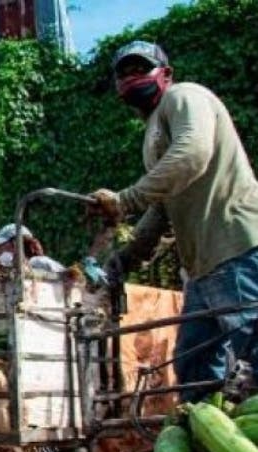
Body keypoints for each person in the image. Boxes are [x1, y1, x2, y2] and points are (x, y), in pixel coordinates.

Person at [90, 41, 258, 398]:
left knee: (253, 350)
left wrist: (125, 200)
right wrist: (129, 255)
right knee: (193, 367)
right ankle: (208, 445)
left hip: (235, 246)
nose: (132, 78)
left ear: (165, 74)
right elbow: (163, 206)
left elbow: (193, 153)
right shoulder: (153, 130)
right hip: (203, 268)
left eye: (141, 69)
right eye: (124, 73)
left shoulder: (182, 96)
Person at [0, 224, 65, 281]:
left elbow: (67, 275)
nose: (0, 250)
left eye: (3, 245)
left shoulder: (37, 262)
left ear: (16, 244)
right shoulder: (9, 270)